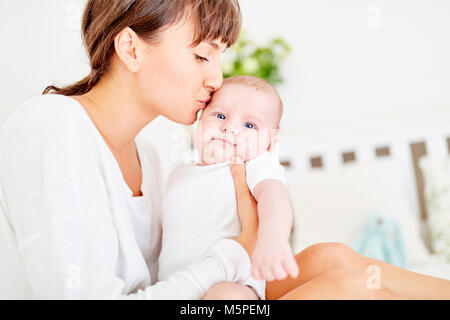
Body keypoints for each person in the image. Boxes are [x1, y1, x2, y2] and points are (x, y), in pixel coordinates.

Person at [0, 0, 449, 300]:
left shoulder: (152, 157)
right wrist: (236, 252)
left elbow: (173, 277)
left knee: (333, 259)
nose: (216, 79)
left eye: (219, 58)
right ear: (131, 48)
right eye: (201, 56)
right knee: (353, 289)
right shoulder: (49, 126)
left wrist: (250, 243)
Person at [158, 75, 298, 300]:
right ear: (200, 119)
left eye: (249, 125)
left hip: (235, 283)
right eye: (220, 115)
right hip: (177, 286)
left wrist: (273, 238)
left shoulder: (253, 164)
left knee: (227, 297)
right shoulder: (179, 174)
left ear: (271, 141)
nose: (230, 127)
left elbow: (274, 197)